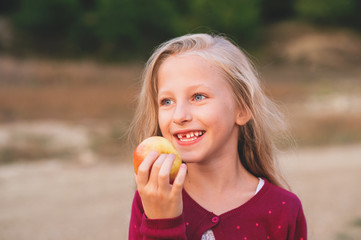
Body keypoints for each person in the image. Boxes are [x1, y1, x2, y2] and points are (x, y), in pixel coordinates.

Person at [128, 33, 307, 240]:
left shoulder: (283, 209)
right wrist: (163, 223)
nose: (179, 116)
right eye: (167, 101)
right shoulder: (152, 200)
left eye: (198, 97)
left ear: (242, 109)